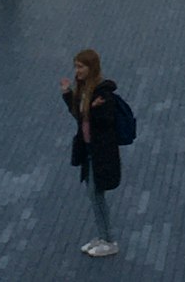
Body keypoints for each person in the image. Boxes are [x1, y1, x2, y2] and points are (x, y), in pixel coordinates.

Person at [60, 48, 121, 258]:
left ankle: (109, 239)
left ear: (91, 68)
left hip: (100, 152)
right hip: (89, 151)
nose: (77, 71)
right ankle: (103, 236)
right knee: (94, 193)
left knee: (96, 194)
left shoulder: (102, 94)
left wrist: (92, 110)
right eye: (76, 66)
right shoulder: (85, 90)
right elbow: (80, 116)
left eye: (80, 67)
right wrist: (68, 94)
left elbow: (104, 122)